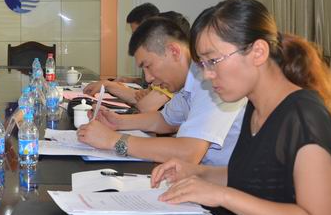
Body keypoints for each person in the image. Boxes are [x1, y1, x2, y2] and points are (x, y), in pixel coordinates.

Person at [151, 0, 331, 215]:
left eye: (213, 61)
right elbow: (254, 176)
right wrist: (195, 172)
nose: (207, 75)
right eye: (203, 64)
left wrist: (222, 195)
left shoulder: (303, 118)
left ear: (258, 51)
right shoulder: (256, 106)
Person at [77, 16, 246, 165]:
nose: (148, 78)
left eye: (148, 66)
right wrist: (118, 122)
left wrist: (113, 141)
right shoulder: (190, 78)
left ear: (174, 51)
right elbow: (165, 120)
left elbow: (189, 153)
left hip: (223, 182)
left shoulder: (210, 79)